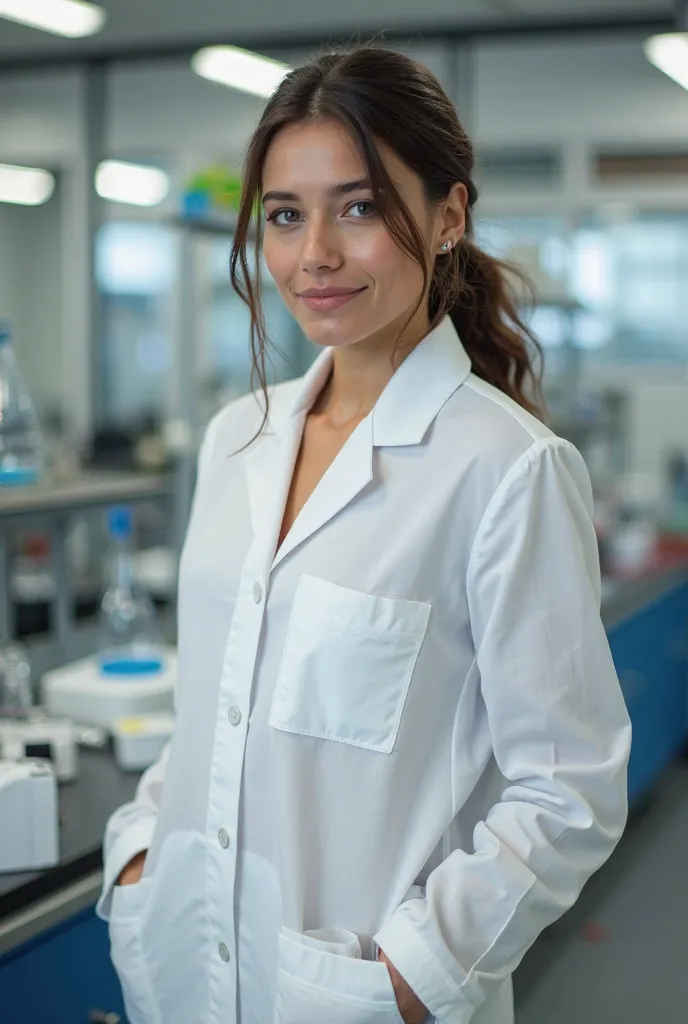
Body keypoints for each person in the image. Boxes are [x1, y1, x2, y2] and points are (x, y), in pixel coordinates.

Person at [98, 46, 631, 1024]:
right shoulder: (235, 439)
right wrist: (139, 855)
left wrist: (407, 976)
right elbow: (209, 705)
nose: (315, 259)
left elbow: (569, 791)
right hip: (184, 966)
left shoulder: (504, 468)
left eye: (360, 207)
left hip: (355, 996)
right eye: (285, 215)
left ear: (447, 217)